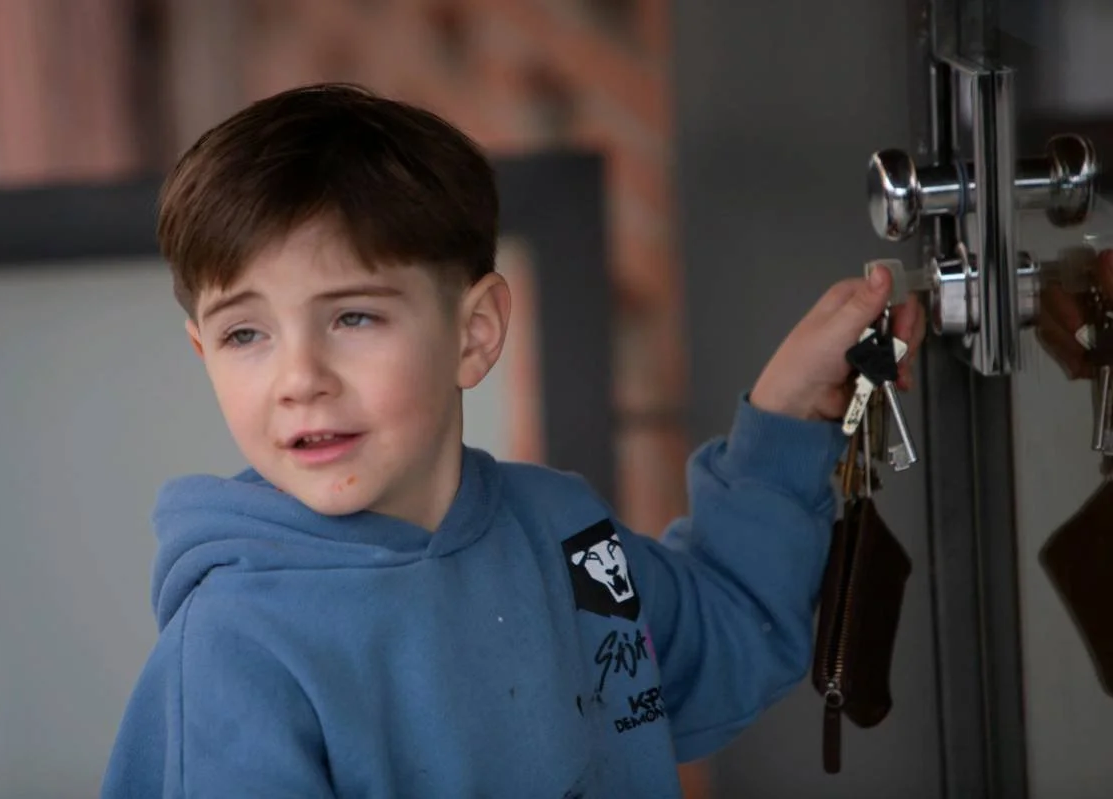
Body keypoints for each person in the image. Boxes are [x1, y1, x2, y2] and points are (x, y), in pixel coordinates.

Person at [100, 83, 924, 798]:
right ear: (204, 354)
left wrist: (787, 415)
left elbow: (724, 637)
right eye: (247, 334)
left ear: (475, 331)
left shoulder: (561, 531)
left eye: (353, 316)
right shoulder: (232, 657)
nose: (299, 376)